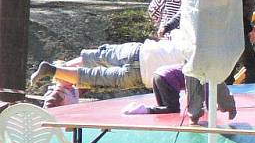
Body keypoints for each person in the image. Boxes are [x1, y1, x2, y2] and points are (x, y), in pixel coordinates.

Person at [29, 33, 188, 91]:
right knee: (94, 77)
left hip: (139, 50)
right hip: (141, 75)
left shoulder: (189, 38)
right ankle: (54, 71)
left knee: (98, 56)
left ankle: (60, 70)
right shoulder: (202, 65)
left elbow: (172, 34)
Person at [122, 64, 237, 125]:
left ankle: (136, 107)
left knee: (164, 109)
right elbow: (204, 93)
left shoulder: (192, 65)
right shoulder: (202, 74)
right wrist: (210, 107)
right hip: (167, 78)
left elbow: (192, 91)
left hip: (158, 74)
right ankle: (144, 109)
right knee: (172, 109)